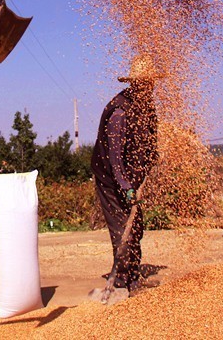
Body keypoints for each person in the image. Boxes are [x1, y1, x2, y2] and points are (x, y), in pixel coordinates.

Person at [91, 55, 161, 293]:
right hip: (111, 178)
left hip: (131, 176)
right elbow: (115, 157)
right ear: (134, 84)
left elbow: (150, 140)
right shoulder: (119, 112)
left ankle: (133, 276)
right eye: (144, 83)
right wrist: (125, 186)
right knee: (123, 227)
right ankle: (122, 283)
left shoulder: (146, 105)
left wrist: (152, 156)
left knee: (136, 226)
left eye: (150, 83)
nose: (148, 87)